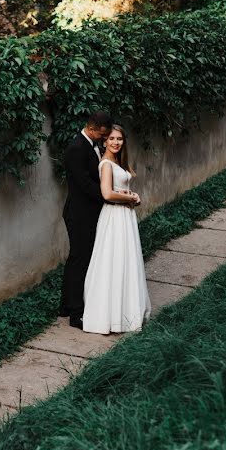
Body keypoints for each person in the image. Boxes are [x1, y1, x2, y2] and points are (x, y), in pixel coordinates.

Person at [82, 124, 151, 334]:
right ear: (104, 141)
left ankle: (126, 311)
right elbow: (108, 194)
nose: (115, 142)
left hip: (124, 216)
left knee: (126, 260)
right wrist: (130, 197)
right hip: (114, 215)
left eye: (119, 139)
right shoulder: (105, 164)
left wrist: (133, 197)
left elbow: (119, 190)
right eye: (111, 138)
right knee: (112, 260)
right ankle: (108, 316)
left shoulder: (117, 162)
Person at [59, 110, 113, 329]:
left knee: (79, 259)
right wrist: (110, 196)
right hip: (79, 214)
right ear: (91, 128)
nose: (103, 139)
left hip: (89, 212)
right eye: (101, 134)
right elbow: (85, 185)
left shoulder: (92, 145)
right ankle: (75, 314)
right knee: (80, 261)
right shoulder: (76, 149)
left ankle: (64, 306)